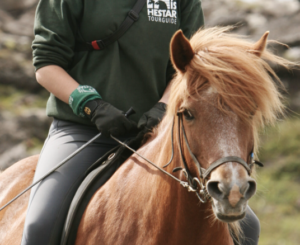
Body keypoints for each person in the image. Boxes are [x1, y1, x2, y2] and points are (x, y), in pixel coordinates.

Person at [21, 0, 260, 244]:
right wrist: (91, 105)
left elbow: (190, 66)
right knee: (41, 226)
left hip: (157, 134)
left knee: (248, 228)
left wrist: (163, 107)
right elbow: (46, 63)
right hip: (83, 130)